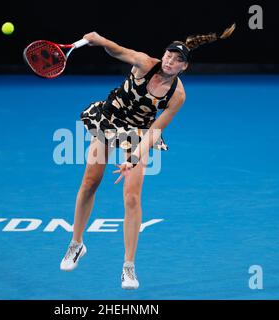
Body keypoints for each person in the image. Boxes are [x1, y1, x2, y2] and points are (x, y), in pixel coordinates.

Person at [60, 24, 235, 289]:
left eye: (177, 60)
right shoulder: (144, 63)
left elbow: (155, 131)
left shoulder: (178, 95)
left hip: (139, 133)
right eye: (168, 55)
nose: (170, 61)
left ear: (183, 67)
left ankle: (128, 267)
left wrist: (133, 158)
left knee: (132, 198)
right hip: (110, 119)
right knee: (90, 183)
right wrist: (99, 39)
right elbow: (117, 50)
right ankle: (76, 244)